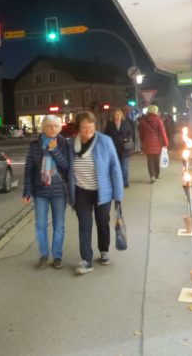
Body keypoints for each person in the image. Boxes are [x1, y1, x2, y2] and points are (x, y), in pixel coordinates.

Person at [69, 111, 124, 275]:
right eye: (84, 127)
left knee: (102, 221)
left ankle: (104, 250)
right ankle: (86, 259)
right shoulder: (71, 144)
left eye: (91, 127)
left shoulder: (104, 141)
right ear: (78, 128)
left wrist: (118, 194)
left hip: (102, 191)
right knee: (84, 226)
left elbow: (115, 167)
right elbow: (66, 166)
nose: (88, 131)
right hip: (81, 192)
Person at [23, 115, 71, 270]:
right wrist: (27, 191)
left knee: (59, 225)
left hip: (58, 191)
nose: (53, 129)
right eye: (49, 126)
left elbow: (66, 168)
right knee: (40, 224)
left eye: (56, 126)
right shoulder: (34, 145)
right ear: (43, 128)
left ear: (59, 128)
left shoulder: (64, 144)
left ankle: (57, 256)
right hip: (40, 190)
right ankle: (44, 255)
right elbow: (29, 169)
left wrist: (54, 150)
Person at [139, 105, 169, 183]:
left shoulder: (143, 121)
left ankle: (152, 176)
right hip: (157, 142)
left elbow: (141, 134)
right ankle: (157, 175)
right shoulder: (158, 120)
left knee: (150, 160)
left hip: (147, 142)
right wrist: (165, 142)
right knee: (156, 159)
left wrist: (143, 141)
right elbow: (162, 132)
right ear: (155, 111)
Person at [104, 108, 133, 188]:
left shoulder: (126, 123)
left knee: (124, 166)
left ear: (121, 116)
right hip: (114, 149)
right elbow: (106, 135)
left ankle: (125, 182)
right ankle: (117, 182)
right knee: (117, 166)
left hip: (125, 148)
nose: (117, 116)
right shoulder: (110, 124)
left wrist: (127, 138)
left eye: (119, 115)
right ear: (113, 116)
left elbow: (130, 133)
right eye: (116, 115)